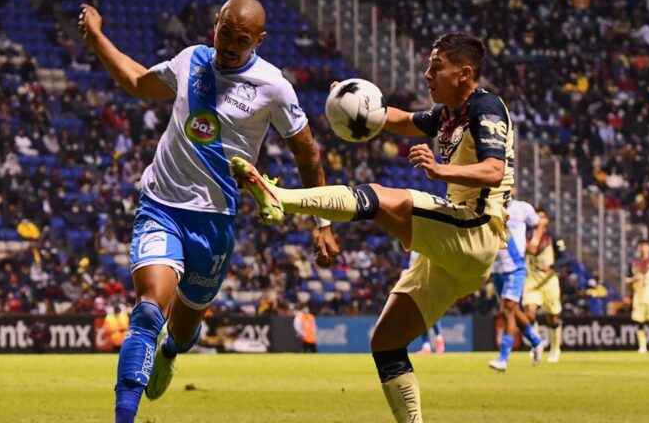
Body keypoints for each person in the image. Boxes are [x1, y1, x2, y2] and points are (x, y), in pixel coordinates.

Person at [78, 0, 339, 423]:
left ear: (259, 40)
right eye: (225, 33)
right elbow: (137, 81)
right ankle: (124, 415)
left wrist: (322, 222)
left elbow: (308, 155)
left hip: (215, 223)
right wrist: (96, 37)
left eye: (242, 40)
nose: (230, 46)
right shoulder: (191, 60)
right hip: (161, 206)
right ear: (215, 25)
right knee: (148, 311)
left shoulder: (273, 86)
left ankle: (170, 351)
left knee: (182, 332)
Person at [233, 32, 513, 423]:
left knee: (379, 196)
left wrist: (439, 170)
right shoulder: (448, 113)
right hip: (455, 254)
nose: (427, 74)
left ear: (464, 73)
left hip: (475, 228)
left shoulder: (486, 107)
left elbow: (494, 169)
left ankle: (280, 198)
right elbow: (400, 120)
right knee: (386, 342)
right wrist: (350, 98)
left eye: (437, 67)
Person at [488, 192, 545, 371]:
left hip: (516, 267)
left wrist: (535, 240)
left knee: (506, 310)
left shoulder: (522, 208)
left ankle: (503, 358)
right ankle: (536, 340)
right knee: (512, 310)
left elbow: (540, 223)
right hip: (497, 269)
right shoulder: (489, 208)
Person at [523, 208, 569, 363]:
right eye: (537, 217)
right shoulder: (527, 235)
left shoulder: (553, 237)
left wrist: (552, 267)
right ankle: (536, 343)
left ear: (547, 220)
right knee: (529, 313)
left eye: (542, 217)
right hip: (532, 280)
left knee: (553, 317)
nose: (539, 220)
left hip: (549, 282)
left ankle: (555, 348)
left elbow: (566, 258)